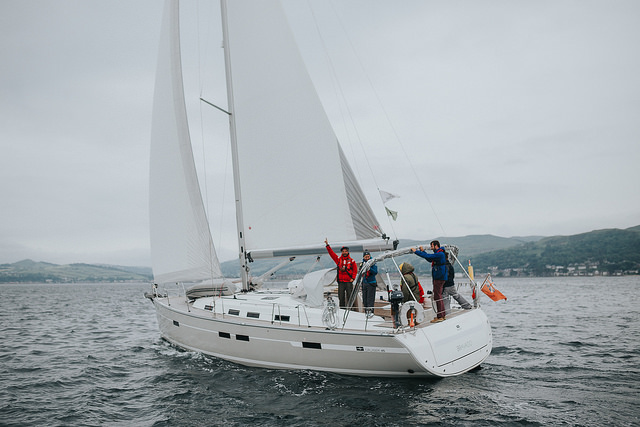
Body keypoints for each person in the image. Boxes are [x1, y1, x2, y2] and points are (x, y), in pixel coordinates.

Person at [412, 240, 447, 323]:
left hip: (439, 277)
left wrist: (416, 251)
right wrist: (423, 251)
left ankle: (440, 316)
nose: (431, 248)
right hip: (439, 277)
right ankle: (441, 315)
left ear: (435, 246)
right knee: (438, 296)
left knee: (438, 296)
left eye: (431, 246)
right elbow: (429, 259)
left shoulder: (440, 254)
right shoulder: (439, 254)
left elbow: (429, 257)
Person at [325, 239, 357, 309]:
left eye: (345, 251)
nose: (344, 252)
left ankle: (352, 309)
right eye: (343, 251)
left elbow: (355, 270)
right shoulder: (338, 259)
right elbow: (331, 254)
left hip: (349, 281)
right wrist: (327, 246)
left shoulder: (352, 261)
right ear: (341, 252)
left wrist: (353, 278)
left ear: (348, 252)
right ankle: (342, 309)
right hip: (341, 282)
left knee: (350, 296)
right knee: (341, 297)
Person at [360, 250, 378, 315]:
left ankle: (371, 312)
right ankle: (366, 312)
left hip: (371, 282)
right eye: (366, 257)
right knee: (364, 299)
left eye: (368, 256)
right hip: (364, 283)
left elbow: (375, 272)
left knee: (370, 299)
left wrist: (369, 268)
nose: (367, 258)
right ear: (364, 257)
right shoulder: (362, 263)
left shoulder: (373, 262)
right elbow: (360, 272)